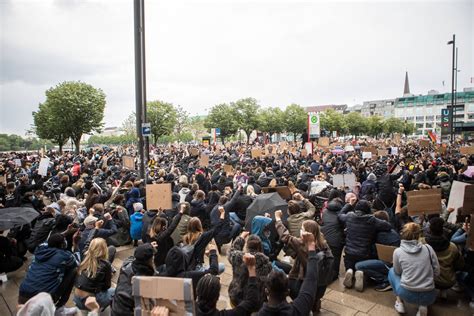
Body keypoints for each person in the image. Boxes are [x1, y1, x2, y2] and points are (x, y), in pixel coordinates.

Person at [275, 211, 334, 314]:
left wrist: (278, 219)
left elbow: (285, 236)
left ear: (307, 233)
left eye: (302, 229)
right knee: (314, 297)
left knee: (302, 298)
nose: (300, 231)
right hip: (320, 281)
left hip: (303, 279)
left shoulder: (302, 244)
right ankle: (315, 307)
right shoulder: (323, 243)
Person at [258, 231, 322, 315]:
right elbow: (311, 278)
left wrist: (251, 269)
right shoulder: (298, 309)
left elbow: (247, 302)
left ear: (266, 291)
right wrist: (311, 245)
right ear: (288, 292)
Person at [338, 197, 392, 290]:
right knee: (363, 263)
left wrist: (349, 204)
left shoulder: (350, 216)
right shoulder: (372, 220)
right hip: (364, 253)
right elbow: (387, 226)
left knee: (349, 261)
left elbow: (340, 215)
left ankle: (349, 270)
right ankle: (361, 273)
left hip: (349, 252)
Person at [18, 233, 79, 313]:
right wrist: (75, 244)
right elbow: (78, 263)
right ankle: (60, 307)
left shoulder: (40, 249)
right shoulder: (65, 256)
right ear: (62, 244)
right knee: (73, 270)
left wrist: (67, 231)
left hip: (23, 294)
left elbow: (50, 241)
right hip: (43, 299)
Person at [388, 223, 440, 316]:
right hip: (429, 295)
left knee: (391, 271)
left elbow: (397, 272)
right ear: (419, 235)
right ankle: (423, 306)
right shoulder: (428, 248)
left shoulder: (398, 251)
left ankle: (399, 302)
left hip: (406, 293)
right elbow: (437, 271)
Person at [196, 253, 261, 315]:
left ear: (197, 291)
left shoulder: (188, 309)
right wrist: (251, 267)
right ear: (218, 297)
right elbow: (251, 302)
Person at [421, 217, 464, 297]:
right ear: (443, 230)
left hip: (427, 279)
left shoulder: (422, 243)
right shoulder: (453, 247)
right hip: (448, 281)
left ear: (430, 230)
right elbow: (460, 265)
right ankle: (443, 291)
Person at [227, 232, 272, 306]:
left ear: (247, 246)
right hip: (254, 301)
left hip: (236, 296)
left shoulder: (238, 258)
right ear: (260, 247)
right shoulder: (266, 265)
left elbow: (232, 250)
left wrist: (241, 238)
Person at [111, 243, 157, 316]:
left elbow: (137, 255)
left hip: (115, 308)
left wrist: (148, 247)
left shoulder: (126, 265)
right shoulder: (143, 280)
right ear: (151, 259)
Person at [74, 238, 115, 311]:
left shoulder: (84, 256)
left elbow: (87, 242)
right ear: (104, 249)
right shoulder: (106, 264)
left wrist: (96, 229)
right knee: (115, 291)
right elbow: (107, 286)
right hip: (90, 302)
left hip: (76, 299)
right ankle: (103, 308)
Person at [320, 198, 345, 280]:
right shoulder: (341, 215)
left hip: (324, 237)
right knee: (336, 258)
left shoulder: (324, 212)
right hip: (336, 240)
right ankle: (333, 276)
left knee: (326, 257)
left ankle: (325, 273)